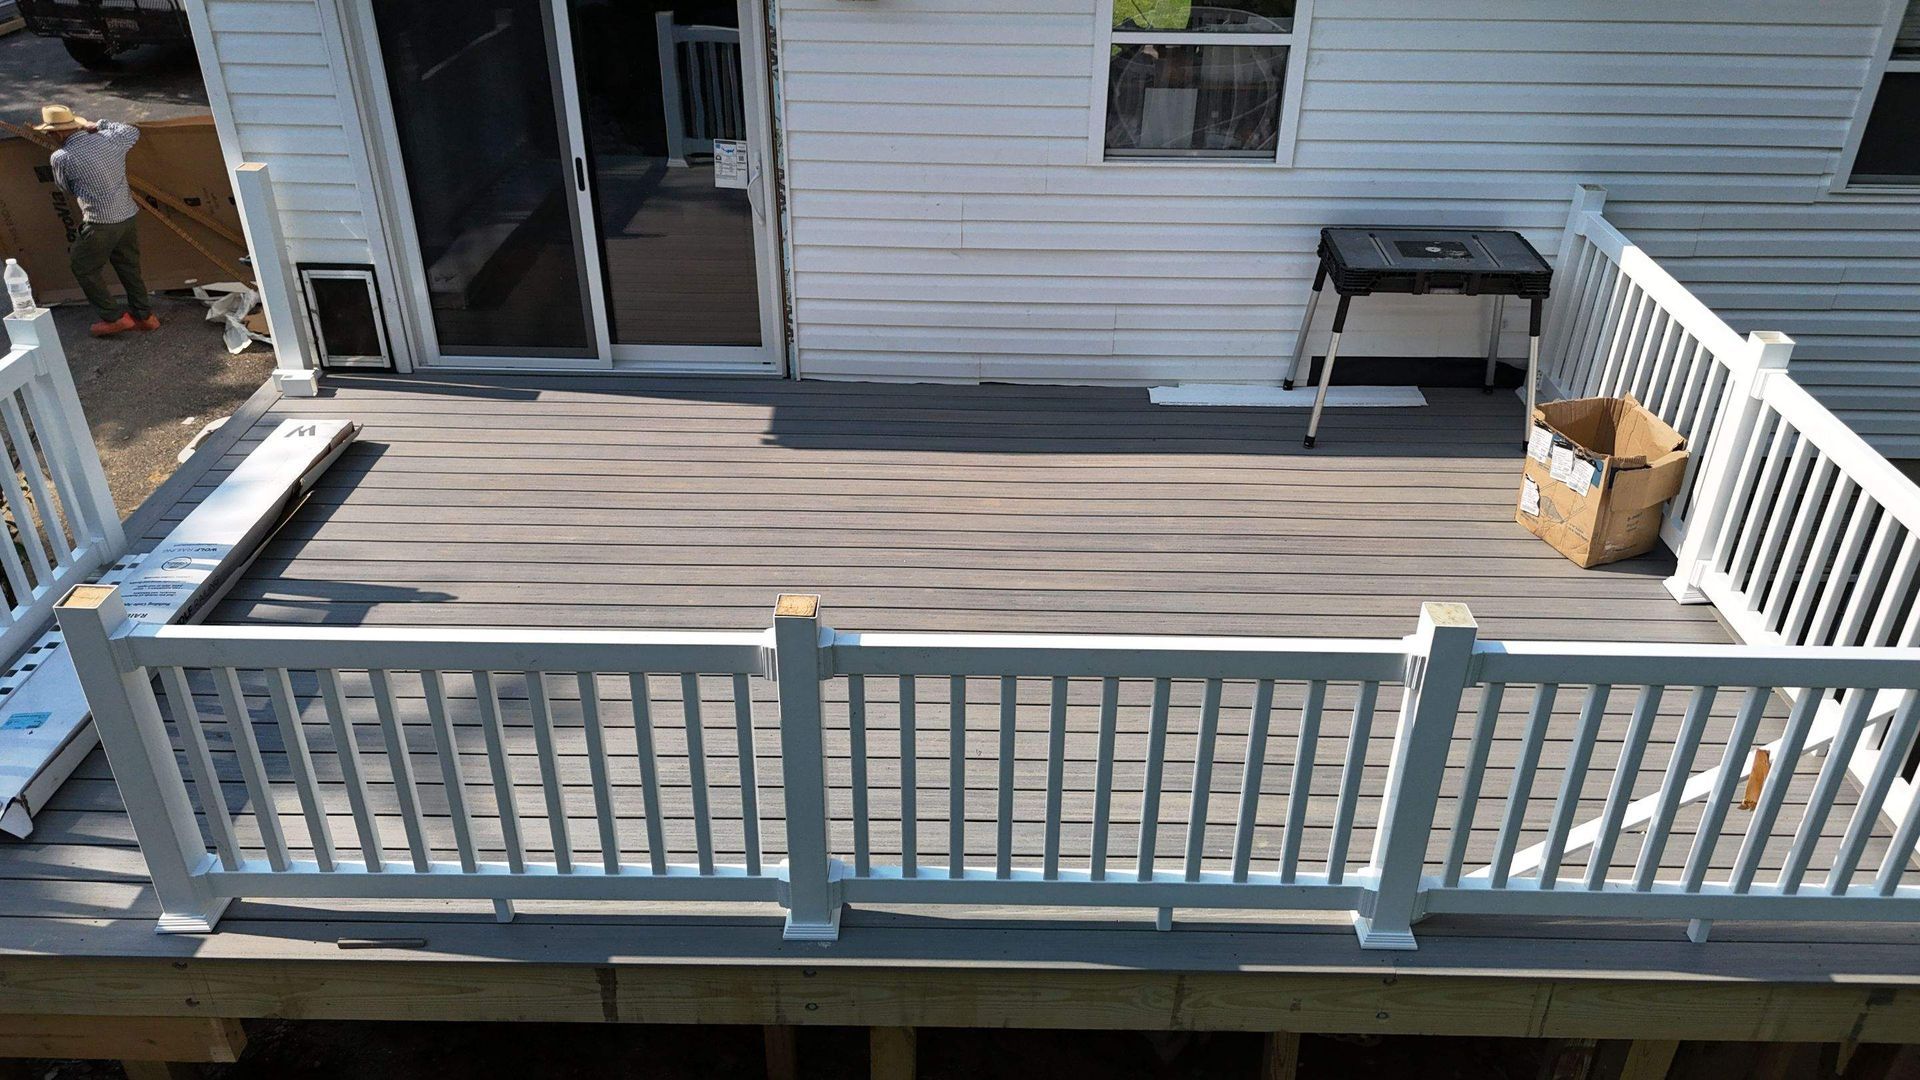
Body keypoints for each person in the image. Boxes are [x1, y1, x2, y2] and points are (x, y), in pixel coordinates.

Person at [32, 105, 157, 337]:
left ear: (57, 133)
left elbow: (66, 188)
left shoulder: (61, 157)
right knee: (129, 267)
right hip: (127, 215)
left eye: (49, 132)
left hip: (100, 222)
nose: (49, 136)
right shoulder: (110, 139)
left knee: (83, 267)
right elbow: (132, 130)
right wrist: (98, 125)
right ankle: (145, 316)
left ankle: (115, 318)